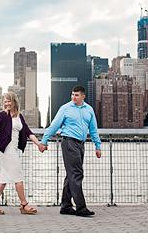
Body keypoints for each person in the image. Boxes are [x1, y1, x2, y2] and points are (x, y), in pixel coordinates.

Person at [0, 92, 46, 215]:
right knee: (18, 176)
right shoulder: (2, 115)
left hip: (14, 149)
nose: (6, 103)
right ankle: (24, 204)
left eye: (8, 100)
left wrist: (39, 145)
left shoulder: (19, 116)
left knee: (4, 178)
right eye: (5, 101)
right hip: (7, 150)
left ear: (14, 101)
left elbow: (28, 132)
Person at [40, 86, 101, 217]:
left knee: (71, 174)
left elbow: (93, 129)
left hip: (81, 144)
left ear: (83, 96)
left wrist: (98, 146)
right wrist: (44, 141)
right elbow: (54, 125)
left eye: (77, 95)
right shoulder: (65, 108)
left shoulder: (89, 110)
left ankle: (66, 206)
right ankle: (81, 207)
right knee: (77, 173)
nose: (74, 97)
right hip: (69, 143)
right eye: (72, 94)